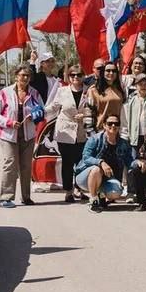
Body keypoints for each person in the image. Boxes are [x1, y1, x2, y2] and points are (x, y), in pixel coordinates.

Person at [0, 65, 46, 208]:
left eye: (28, 76)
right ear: (16, 76)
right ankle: (5, 198)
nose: (25, 78)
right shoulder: (5, 92)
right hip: (9, 135)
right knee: (10, 163)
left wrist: (35, 115)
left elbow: (42, 110)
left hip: (27, 135)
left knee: (26, 166)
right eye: (22, 75)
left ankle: (26, 197)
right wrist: (8, 122)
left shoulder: (34, 93)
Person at [47, 64, 91, 202]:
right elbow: (53, 107)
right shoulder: (62, 91)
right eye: (73, 75)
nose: (76, 77)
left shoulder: (89, 91)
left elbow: (93, 108)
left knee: (81, 162)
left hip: (82, 132)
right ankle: (68, 191)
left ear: (83, 76)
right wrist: (40, 111)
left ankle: (79, 188)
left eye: (79, 75)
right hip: (65, 131)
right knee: (67, 162)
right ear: (69, 77)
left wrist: (84, 115)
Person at [75, 114, 135, 212]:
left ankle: (101, 194)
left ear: (119, 126)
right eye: (110, 123)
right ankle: (94, 200)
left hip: (108, 178)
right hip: (85, 177)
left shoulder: (124, 144)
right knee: (96, 169)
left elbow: (130, 162)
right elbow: (86, 157)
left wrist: (140, 163)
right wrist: (101, 162)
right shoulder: (94, 139)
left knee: (115, 192)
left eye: (116, 123)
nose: (113, 126)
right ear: (104, 125)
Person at [121, 74, 146, 151]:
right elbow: (124, 121)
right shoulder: (130, 102)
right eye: (140, 84)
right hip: (133, 137)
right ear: (136, 86)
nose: (143, 87)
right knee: (134, 160)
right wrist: (125, 137)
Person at [87, 61, 126, 132]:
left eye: (114, 71)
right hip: (100, 130)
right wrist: (90, 132)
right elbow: (88, 113)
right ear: (103, 72)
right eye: (108, 70)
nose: (111, 73)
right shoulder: (93, 90)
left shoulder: (120, 90)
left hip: (117, 130)